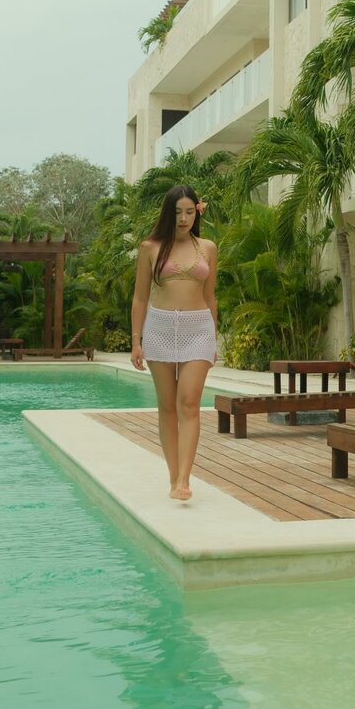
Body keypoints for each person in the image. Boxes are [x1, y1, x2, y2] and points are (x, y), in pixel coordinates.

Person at [130, 184, 217, 501]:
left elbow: (210, 296)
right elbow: (140, 298)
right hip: (160, 328)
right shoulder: (150, 247)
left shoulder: (208, 247)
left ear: (197, 213)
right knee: (167, 407)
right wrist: (136, 341)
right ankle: (172, 476)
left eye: (189, 212)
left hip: (198, 329)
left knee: (189, 403)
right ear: (169, 213)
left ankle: (184, 480)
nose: (183, 218)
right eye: (178, 212)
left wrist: (213, 338)